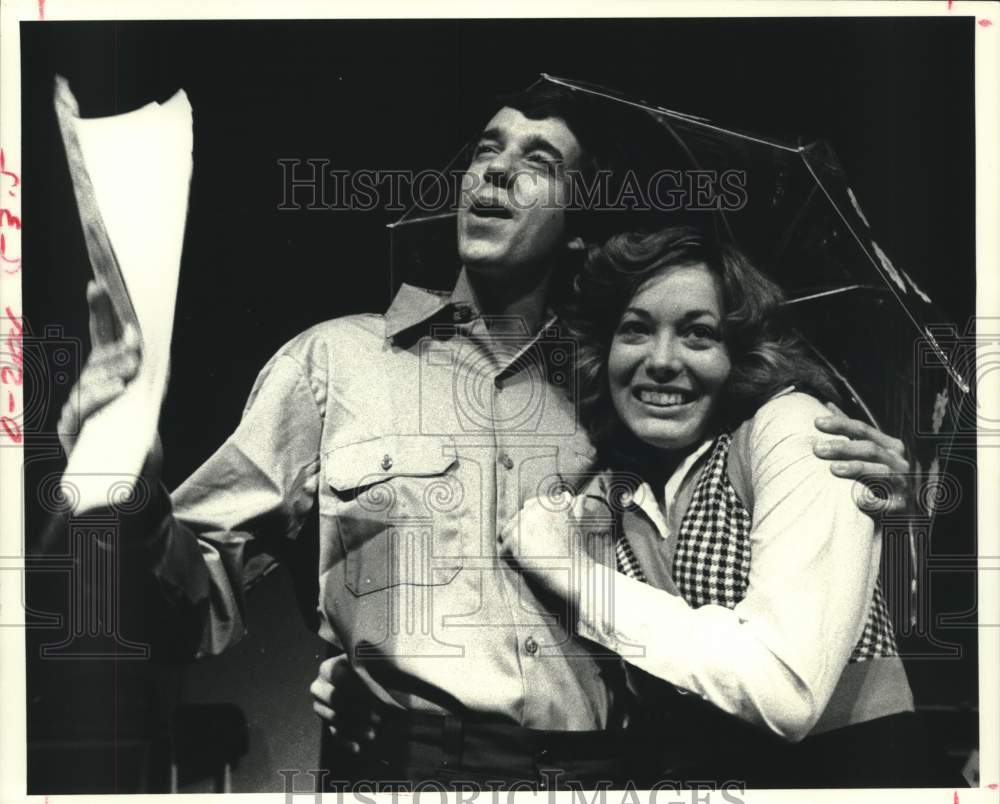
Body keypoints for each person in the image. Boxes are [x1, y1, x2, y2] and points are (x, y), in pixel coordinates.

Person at [59, 83, 910, 789]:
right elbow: (182, 617)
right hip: (395, 773)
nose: (497, 173)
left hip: (606, 777)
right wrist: (122, 489)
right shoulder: (334, 363)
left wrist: (879, 486)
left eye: (538, 162)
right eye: (486, 151)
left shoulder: (619, 393)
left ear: (580, 222)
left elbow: (741, 510)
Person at [492, 226, 930, 787]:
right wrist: (349, 664)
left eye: (698, 334)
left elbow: (784, 692)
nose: (662, 361)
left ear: (739, 354)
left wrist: (573, 574)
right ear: (604, 350)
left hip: (853, 771)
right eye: (635, 330)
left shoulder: (794, 429)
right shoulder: (608, 487)